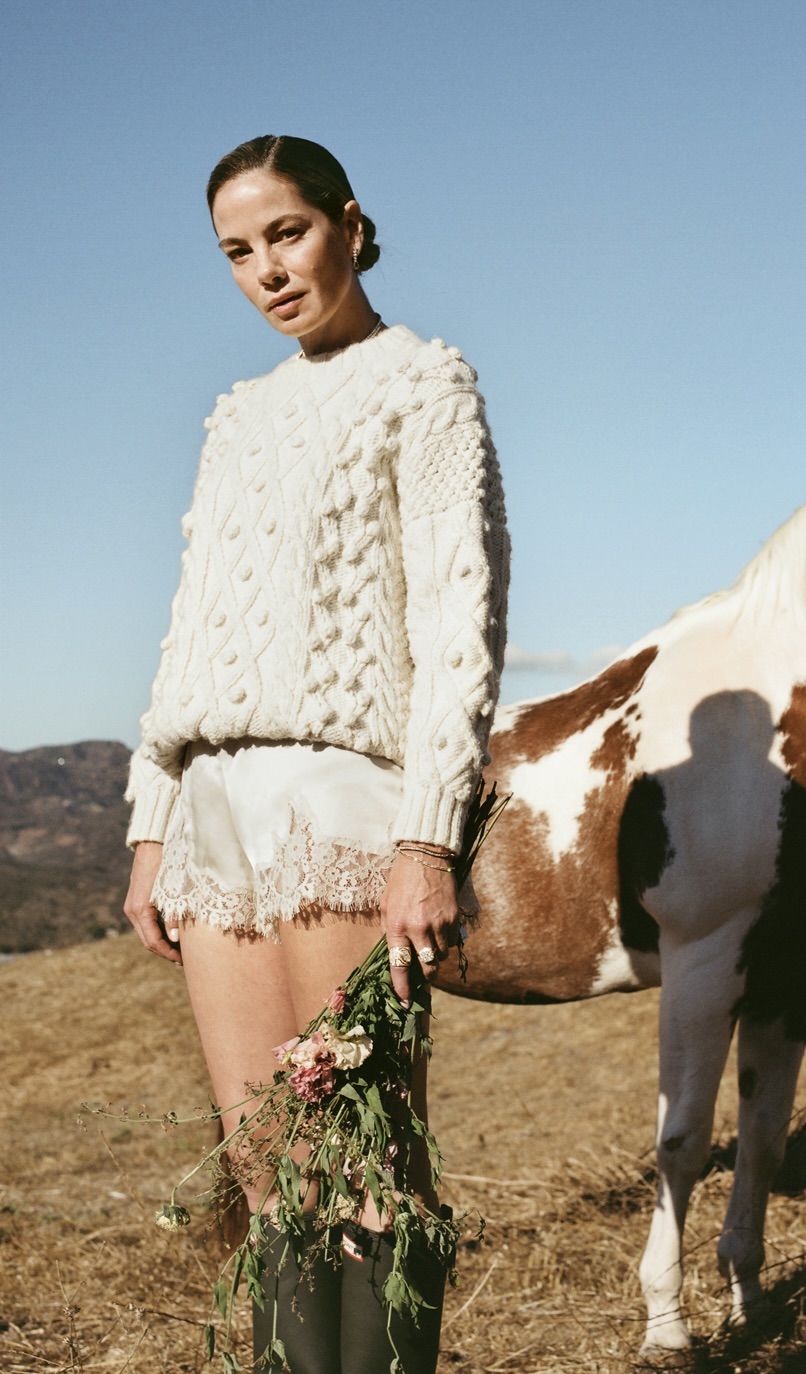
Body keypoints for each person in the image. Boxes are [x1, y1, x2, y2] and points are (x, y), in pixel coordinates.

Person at [122, 134, 509, 1374]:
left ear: (347, 221)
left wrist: (424, 837)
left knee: (368, 1168)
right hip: (211, 813)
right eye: (238, 253)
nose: (266, 272)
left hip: (344, 800)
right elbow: (191, 627)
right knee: (269, 1171)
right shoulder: (235, 417)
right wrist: (148, 825)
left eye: (285, 235)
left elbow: (461, 625)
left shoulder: (425, 382)